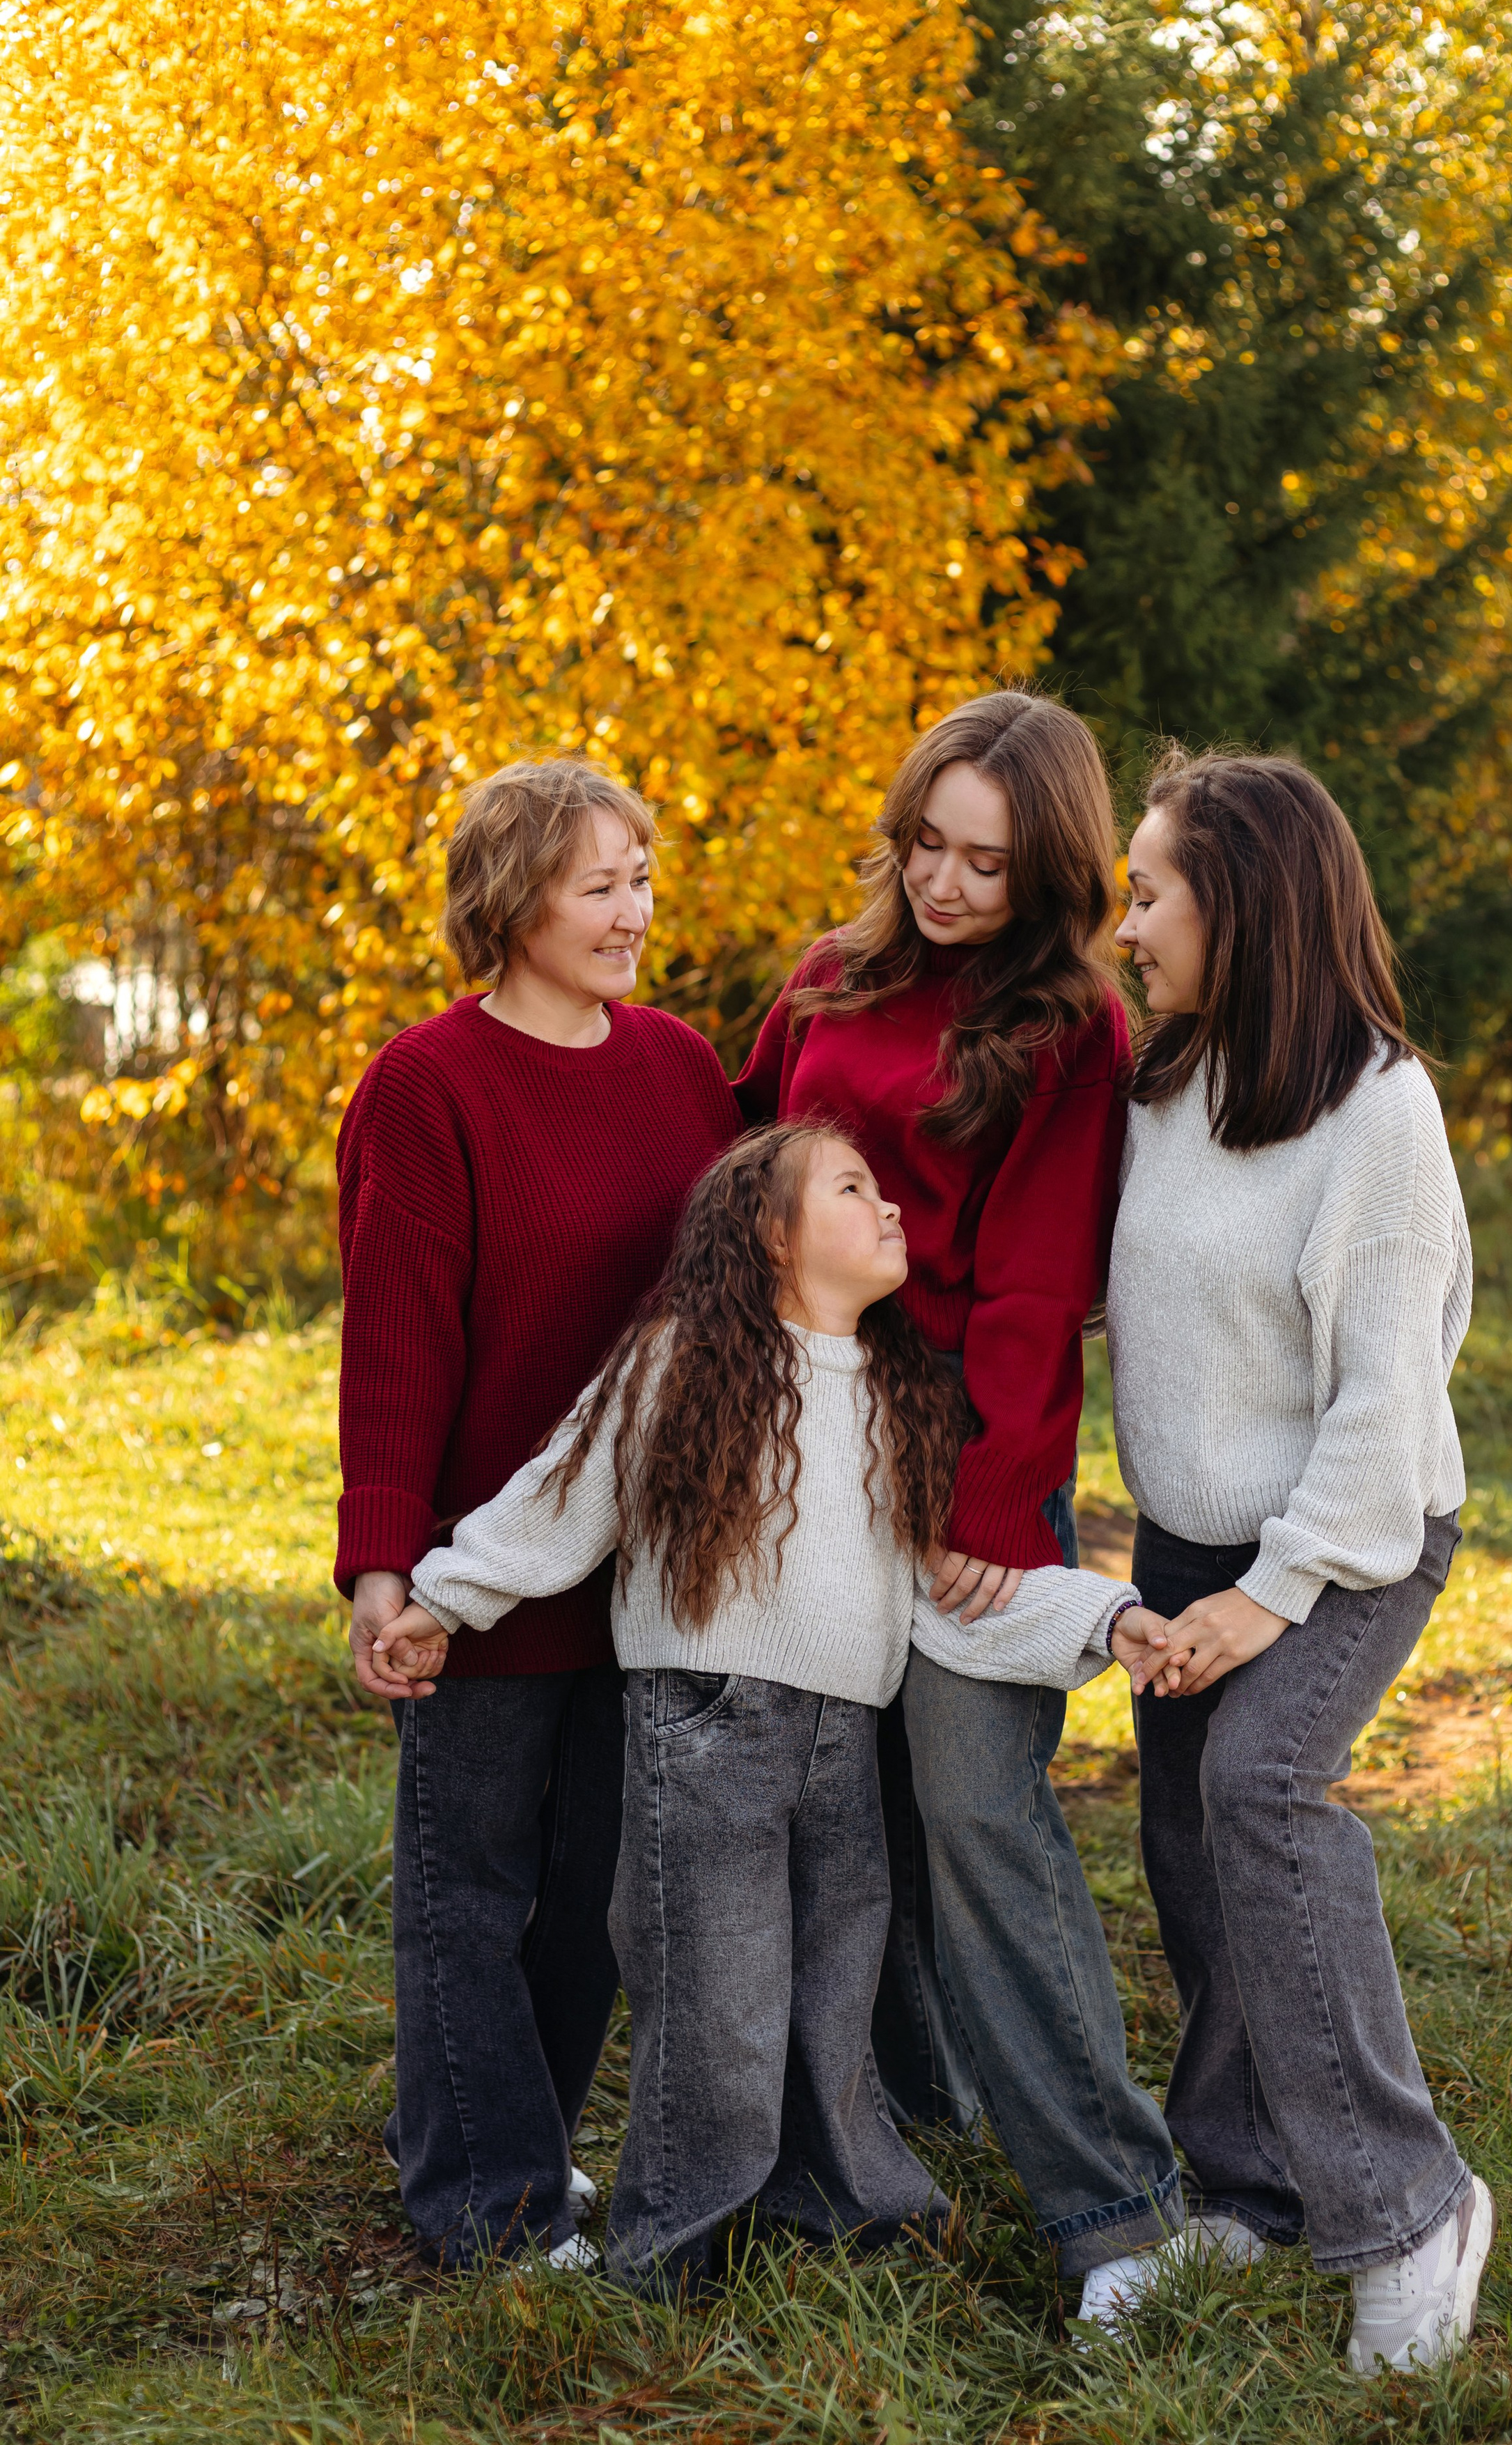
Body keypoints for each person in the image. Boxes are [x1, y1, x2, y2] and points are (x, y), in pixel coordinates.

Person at [367, 1121, 1181, 2299]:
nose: (891, 1209)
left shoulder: (901, 1399)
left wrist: (1106, 1620)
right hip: (710, 1734)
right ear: (771, 1230)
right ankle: (668, 2249)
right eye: (854, 1189)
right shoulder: (683, 1362)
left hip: (845, 1749)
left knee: (832, 1995)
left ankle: (849, 2204)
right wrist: (442, 1598)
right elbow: (558, 1502)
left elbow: (951, 1597)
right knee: (717, 2006)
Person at [735, 690, 1186, 2329]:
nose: (940, 883)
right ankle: (886, 2131)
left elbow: (1035, 1287)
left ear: (1044, 868)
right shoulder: (823, 980)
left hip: (967, 1459)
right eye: (924, 841)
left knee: (976, 1810)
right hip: (795, 1440)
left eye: (981, 862)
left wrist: (980, 1515)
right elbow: (742, 1174)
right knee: (837, 1816)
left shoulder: (1070, 1027)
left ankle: (1119, 2208)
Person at [1107, 747, 1492, 2371]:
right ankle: (1248, 2181)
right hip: (1191, 1533)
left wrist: (1261, 1604)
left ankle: (1403, 2208)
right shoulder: (1168, 1080)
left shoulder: (1377, 1114)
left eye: (1148, 891)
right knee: (1189, 1849)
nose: (1124, 925)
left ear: (1243, 902)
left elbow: (1378, 1415)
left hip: (1351, 1535)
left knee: (1259, 1796)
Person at [335, 756, 740, 2273]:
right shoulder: (427, 1085)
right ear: (513, 902)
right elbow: (394, 1348)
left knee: (589, 1900)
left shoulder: (682, 1071)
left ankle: (513, 2147)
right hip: (479, 1579)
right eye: (600, 885)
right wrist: (386, 1568)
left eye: (641, 877)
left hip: (645, 1571)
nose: (634, 911)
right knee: (471, 1893)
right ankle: (484, 2203)